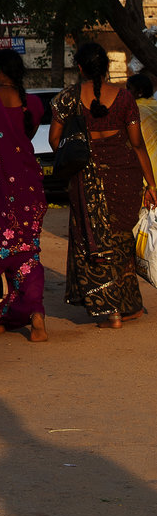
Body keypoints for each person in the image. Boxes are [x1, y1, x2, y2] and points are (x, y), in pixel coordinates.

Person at [50, 41, 157, 327]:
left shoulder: (67, 98)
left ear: (80, 67)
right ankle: (127, 306)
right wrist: (152, 184)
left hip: (85, 178)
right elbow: (137, 144)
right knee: (121, 239)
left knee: (93, 238)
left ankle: (111, 310)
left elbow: (54, 141)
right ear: (106, 67)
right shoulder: (123, 98)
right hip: (125, 177)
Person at [0, 51, 48, 341]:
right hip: (29, 184)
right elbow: (24, 137)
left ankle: (1, 312)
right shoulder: (34, 103)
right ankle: (34, 313)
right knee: (28, 249)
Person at [126, 72, 157, 175]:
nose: (126, 92)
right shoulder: (154, 105)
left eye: (129, 88)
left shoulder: (135, 110)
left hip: (148, 166)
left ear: (140, 92)